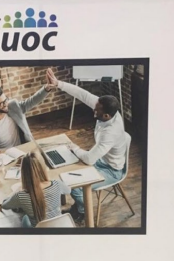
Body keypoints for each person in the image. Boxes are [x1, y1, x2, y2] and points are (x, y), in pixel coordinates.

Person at [46, 68, 129, 223]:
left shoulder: (111, 132)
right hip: (101, 160)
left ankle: (83, 212)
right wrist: (58, 84)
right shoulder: (105, 107)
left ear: (106, 116)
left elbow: (90, 159)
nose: (93, 110)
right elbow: (82, 94)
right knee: (68, 170)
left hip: (111, 171)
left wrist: (74, 148)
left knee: (75, 185)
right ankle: (78, 207)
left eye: (96, 110)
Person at [0, 79, 54, 156]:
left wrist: (46, 88)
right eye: (1, 103)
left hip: (22, 149)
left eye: (5, 100)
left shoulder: (14, 106)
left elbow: (32, 101)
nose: (5, 104)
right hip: (2, 154)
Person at [1, 152, 71, 227]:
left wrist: (17, 190)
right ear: (44, 168)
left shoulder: (20, 196)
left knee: (25, 218)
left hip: (39, 231)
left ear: (23, 172)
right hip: (60, 226)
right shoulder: (57, 184)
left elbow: (4, 205)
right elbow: (68, 190)